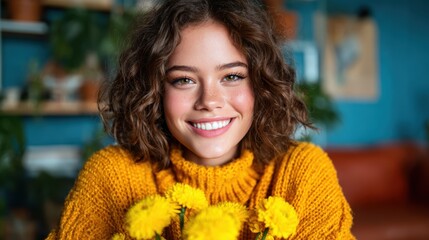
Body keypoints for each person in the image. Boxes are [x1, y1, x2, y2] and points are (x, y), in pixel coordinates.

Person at [46, 0, 354, 239]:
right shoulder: (112, 177)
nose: (209, 101)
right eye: (184, 80)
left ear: (262, 83)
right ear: (154, 89)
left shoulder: (303, 173)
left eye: (232, 76)